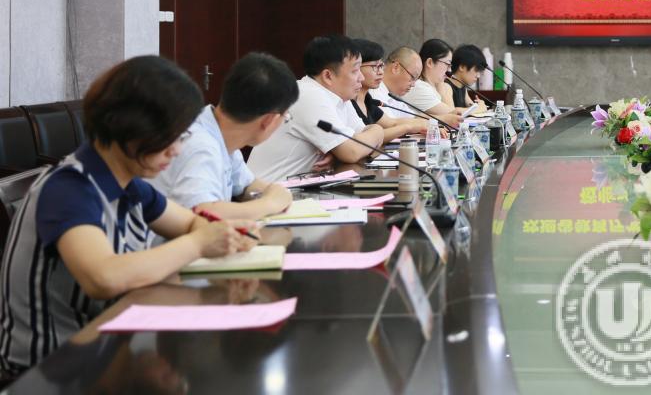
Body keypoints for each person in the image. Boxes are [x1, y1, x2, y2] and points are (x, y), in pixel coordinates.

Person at [0, 56, 255, 378]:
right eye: (170, 137)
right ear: (132, 128)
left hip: (106, 353)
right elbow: (104, 277)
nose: (176, 150)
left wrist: (217, 235)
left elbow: (192, 222)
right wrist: (199, 244)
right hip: (48, 371)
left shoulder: (130, 186)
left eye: (182, 137)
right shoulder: (69, 189)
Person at [246, 35, 427, 181]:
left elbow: (363, 140)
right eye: (355, 71)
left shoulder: (340, 97)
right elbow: (353, 151)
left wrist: (341, 151)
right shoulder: (310, 96)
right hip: (269, 197)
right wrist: (370, 135)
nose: (361, 78)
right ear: (328, 76)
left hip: (301, 191)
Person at [150, 52, 297, 219]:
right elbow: (203, 212)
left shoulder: (221, 132)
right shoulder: (200, 145)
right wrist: (269, 204)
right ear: (269, 120)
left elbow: (246, 186)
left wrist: (274, 193)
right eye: (285, 117)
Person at [371, 46, 460, 128]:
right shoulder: (374, 92)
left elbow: (413, 118)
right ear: (396, 68)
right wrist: (440, 120)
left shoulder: (391, 94)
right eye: (413, 77)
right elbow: (391, 124)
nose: (413, 84)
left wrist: (441, 120)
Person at [402, 39, 462, 120]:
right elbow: (454, 116)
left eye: (450, 66)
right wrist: (443, 85)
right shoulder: (418, 87)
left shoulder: (432, 86)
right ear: (430, 62)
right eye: (447, 64)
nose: (449, 70)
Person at [350, 38, 387, 123]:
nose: (381, 72)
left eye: (381, 66)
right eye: (375, 66)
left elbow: (393, 123)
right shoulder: (348, 101)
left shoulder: (368, 100)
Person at [445, 44, 487, 109]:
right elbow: (452, 112)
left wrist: (479, 105)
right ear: (462, 67)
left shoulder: (462, 86)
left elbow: (472, 108)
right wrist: (480, 108)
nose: (478, 76)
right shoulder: (446, 86)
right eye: (476, 70)